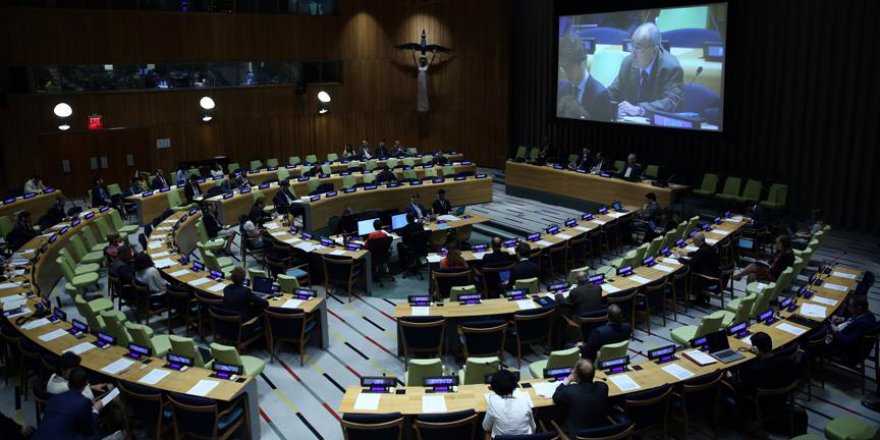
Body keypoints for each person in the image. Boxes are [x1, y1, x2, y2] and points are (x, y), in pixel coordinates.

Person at [607, 22, 684, 117]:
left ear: (654, 51)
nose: (633, 53)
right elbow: (612, 92)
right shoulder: (627, 63)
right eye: (632, 46)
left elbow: (672, 102)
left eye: (638, 48)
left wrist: (640, 110)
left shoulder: (671, 67)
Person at [33, 367, 102, 440]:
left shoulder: (54, 397)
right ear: (86, 383)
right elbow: (89, 429)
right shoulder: (83, 402)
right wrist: (96, 410)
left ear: (68, 383)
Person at [557, 34, 613, 121]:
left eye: (569, 67)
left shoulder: (600, 95)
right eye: (563, 67)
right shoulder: (560, 89)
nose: (565, 72)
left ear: (583, 64)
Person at [552, 359, 609, 438]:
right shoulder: (603, 387)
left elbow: (556, 397)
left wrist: (568, 379)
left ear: (576, 375)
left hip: (578, 434)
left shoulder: (570, 390)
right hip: (603, 431)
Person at [482, 369, 536, 438]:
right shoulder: (525, 401)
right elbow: (533, 428)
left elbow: (486, 427)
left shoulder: (493, 403)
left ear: (494, 388)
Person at [829, 296, 877, 366]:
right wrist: (842, 319)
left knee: (820, 331)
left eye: (850, 306)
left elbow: (847, 341)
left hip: (849, 353)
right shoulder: (868, 314)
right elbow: (853, 320)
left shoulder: (863, 324)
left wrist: (835, 331)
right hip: (848, 337)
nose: (848, 308)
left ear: (859, 308)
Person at [676, 232, 720, 304]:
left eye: (694, 240)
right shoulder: (709, 247)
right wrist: (687, 253)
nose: (693, 242)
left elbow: (691, 263)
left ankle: (684, 296)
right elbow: (697, 254)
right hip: (713, 272)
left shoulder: (702, 251)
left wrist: (679, 258)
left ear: (698, 241)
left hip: (705, 278)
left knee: (682, 274)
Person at [47, 352, 111, 401]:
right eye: (73, 369)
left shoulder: (53, 375)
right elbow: (89, 398)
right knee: (111, 390)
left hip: (64, 403)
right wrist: (87, 386)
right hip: (80, 410)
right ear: (63, 369)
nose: (75, 371)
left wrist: (91, 387)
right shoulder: (67, 388)